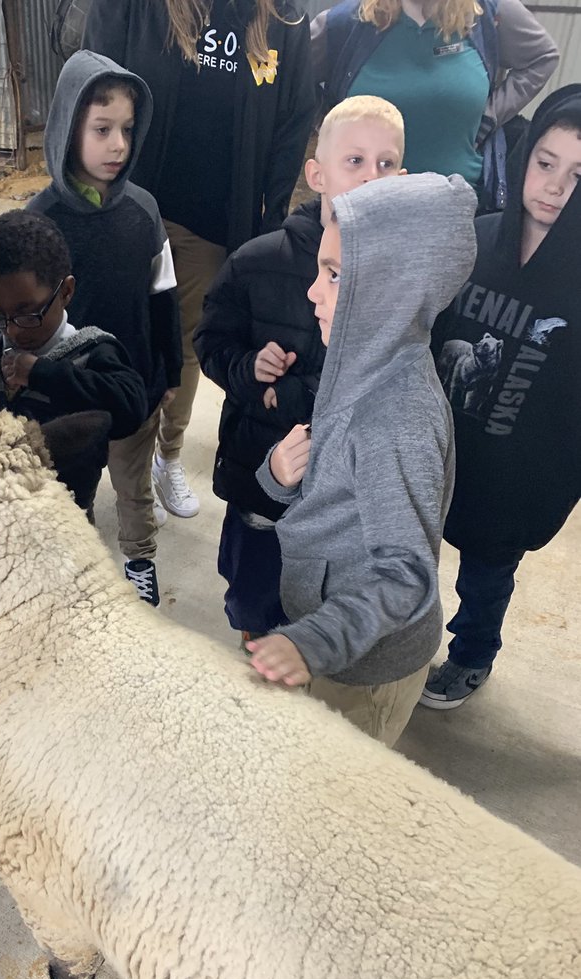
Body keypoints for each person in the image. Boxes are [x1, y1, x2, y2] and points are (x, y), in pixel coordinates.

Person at [248, 173, 477, 747]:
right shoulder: (360, 361)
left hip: (365, 670)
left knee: (332, 806)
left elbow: (405, 576)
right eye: (320, 270)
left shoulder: (394, 416)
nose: (312, 292)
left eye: (335, 275)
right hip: (332, 636)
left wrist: (312, 642)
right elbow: (332, 488)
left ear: (393, 290)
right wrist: (277, 476)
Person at [83, 0, 315, 520]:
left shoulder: (281, 18)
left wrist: (267, 219)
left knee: (183, 348)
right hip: (127, 207)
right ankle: (94, 459)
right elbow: (90, 85)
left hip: (211, 223)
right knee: (107, 336)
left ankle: (166, 457)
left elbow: (294, 119)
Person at [195, 94, 405, 645]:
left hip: (343, 494)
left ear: (401, 177)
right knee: (254, 596)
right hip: (261, 475)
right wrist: (248, 370)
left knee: (321, 611)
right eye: (353, 161)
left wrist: (285, 398)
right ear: (316, 173)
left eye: (385, 164)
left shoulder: (403, 280)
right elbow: (211, 342)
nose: (369, 176)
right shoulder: (258, 261)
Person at [420, 85, 581, 710]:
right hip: (442, 441)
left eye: (577, 175)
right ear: (524, 159)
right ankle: (397, 629)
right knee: (413, 544)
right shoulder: (475, 239)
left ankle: (472, 652)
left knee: (488, 571)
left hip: (519, 466)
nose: (555, 187)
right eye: (545, 163)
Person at [26, 51, 182, 607]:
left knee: (134, 485)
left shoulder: (144, 210)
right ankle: (80, 566)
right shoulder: (38, 220)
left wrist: (168, 368)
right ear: (69, 127)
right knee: (72, 487)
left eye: (127, 130)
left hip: (135, 383)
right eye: (102, 129)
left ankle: (139, 557)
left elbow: (163, 293)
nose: (118, 144)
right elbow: (18, 315)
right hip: (70, 394)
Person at [0, 209, 148, 516]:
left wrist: (43, 374)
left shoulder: (90, 352)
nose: (14, 329)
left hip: (63, 524)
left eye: (28, 312)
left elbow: (130, 407)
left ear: (66, 292)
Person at [311, 0, 558, 210]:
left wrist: (490, 117)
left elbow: (543, 57)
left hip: (454, 210)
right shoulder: (345, 24)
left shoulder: (486, 14)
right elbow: (293, 76)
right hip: (359, 210)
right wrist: (329, 126)